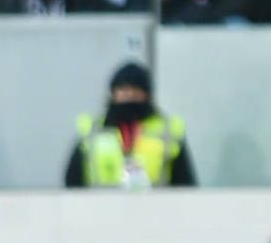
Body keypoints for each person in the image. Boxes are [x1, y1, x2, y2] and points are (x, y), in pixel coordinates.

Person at [65, 62, 195, 188]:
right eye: (123, 88)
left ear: (147, 94)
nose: (130, 94)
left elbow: (185, 181)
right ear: (113, 93)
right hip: (100, 207)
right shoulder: (92, 130)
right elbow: (73, 180)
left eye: (136, 89)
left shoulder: (168, 131)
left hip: (155, 207)